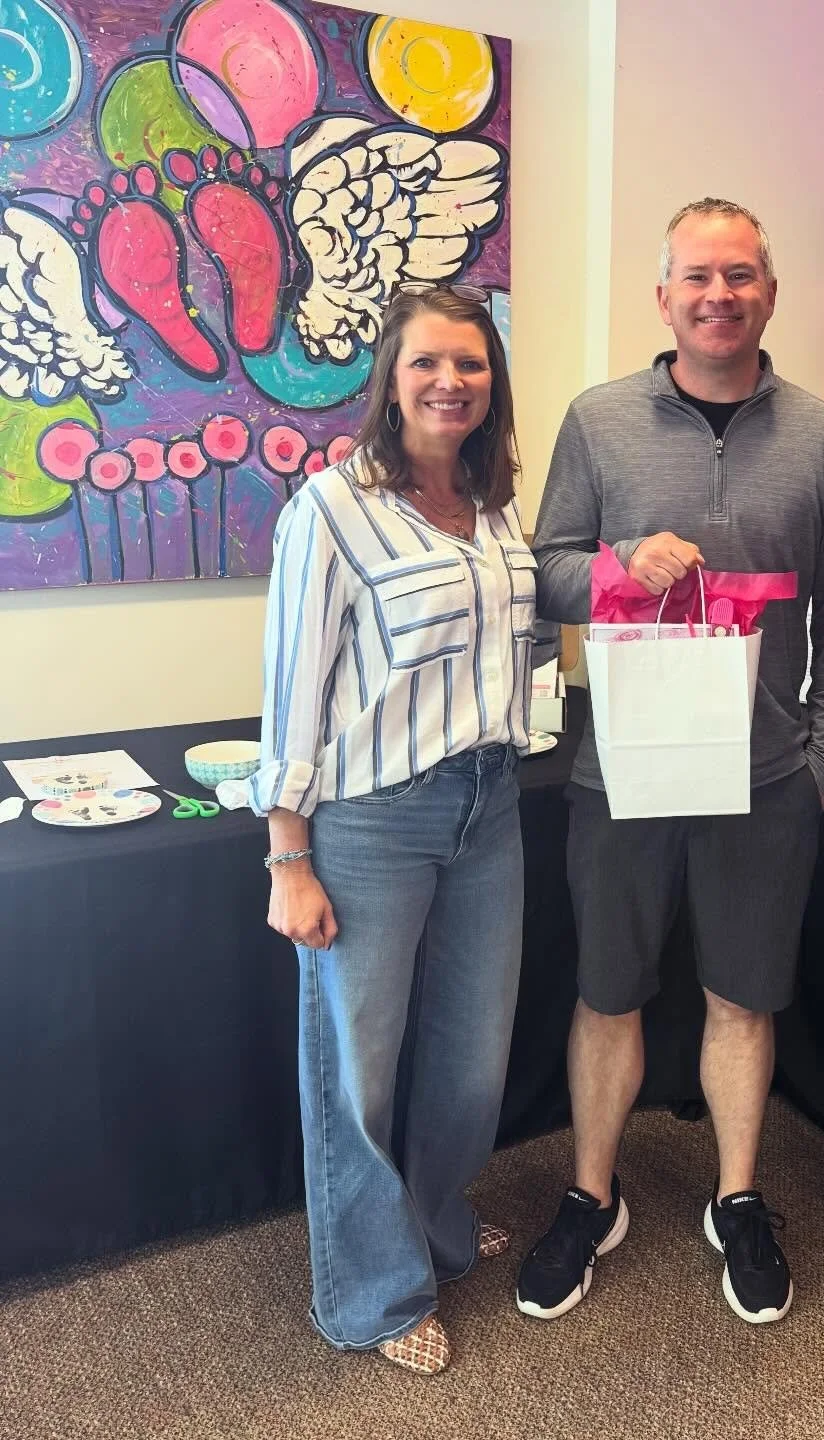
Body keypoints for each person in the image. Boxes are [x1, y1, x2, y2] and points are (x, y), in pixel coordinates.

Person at [523, 197, 824, 1328]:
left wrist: (823, 760)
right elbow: (547, 568)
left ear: (772, 291)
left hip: (766, 781)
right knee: (607, 990)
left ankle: (738, 1198)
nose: (720, 294)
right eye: (697, 277)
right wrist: (619, 562)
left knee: (742, 996)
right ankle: (590, 1195)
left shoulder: (821, 437)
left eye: (742, 275)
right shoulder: (599, 419)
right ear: (662, 294)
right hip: (620, 772)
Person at [249, 283, 555, 1376]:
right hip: (372, 820)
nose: (450, 382)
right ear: (390, 378)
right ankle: (371, 1295)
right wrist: (290, 854)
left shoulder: (493, 506)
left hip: (490, 807)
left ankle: (432, 1217)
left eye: (471, 364)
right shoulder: (331, 508)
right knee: (358, 1069)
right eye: (428, 362)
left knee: (473, 1056)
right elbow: (292, 692)